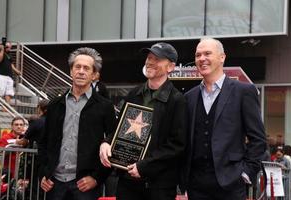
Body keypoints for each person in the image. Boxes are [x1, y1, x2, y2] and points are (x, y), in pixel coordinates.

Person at [100, 42, 187, 200]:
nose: (150, 62)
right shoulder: (134, 93)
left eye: (157, 59)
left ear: (171, 67)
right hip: (127, 182)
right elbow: (120, 129)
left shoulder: (177, 100)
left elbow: (177, 145)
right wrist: (107, 142)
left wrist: (145, 166)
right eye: (149, 57)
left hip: (159, 187)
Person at [182, 38, 267, 200]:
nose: (201, 59)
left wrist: (245, 174)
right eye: (198, 55)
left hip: (231, 185)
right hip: (196, 186)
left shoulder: (244, 91)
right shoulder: (189, 97)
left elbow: (258, 140)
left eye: (207, 53)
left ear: (222, 57)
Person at [38, 47, 116, 200]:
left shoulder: (105, 106)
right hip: (54, 184)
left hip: (85, 185)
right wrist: (44, 174)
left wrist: (97, 178)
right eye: (77, 67)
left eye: (86, 68)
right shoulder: (55, 105)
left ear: (94, 75)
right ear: (71, 71)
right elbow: (44, 142)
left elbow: (113, 143)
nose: (81, 71)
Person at [0, 41, 21, 106]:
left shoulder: (9, 55)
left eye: (10, 47)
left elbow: (11, 65)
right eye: (8, 47)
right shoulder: (0, 52)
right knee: (0, 92)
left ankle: (6, 107)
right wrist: (2, 50)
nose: (9, 48)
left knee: (9, 92)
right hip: (1, 75)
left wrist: (16, 71)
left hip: (9, 76)